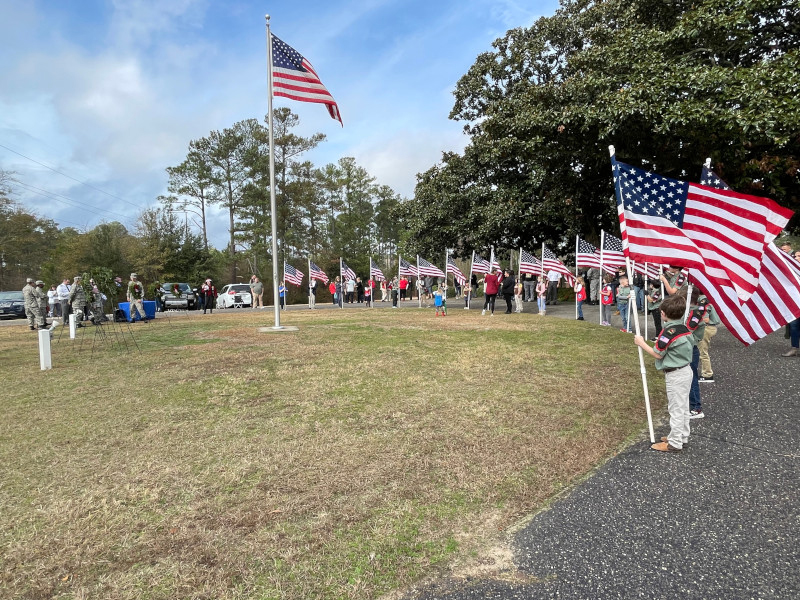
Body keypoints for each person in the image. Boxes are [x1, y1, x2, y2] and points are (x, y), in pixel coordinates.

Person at [634, 294, 694, 452]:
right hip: (686, 370)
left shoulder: (669, 332)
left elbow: (658, 353)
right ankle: (681, 435)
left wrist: (641, 343)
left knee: (676, 408)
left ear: (663, 313)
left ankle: (675, 443)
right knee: (683, 407)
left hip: (676, 374)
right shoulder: (684, 328)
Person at [682, 287, 706, 419]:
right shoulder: (687, 312)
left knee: (691, 378)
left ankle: (696, 407)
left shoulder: (695, 314)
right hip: (686, 349)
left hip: (691, 349)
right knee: (686, 378)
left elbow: (688, 330)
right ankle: (690, 404)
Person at [698, 298, 721, 382]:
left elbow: (705, 319)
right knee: (702, 350)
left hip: (706, 327)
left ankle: (707, 374)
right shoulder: (710, 297)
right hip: (711, 327)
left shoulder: (703, 301)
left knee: (703, 352)